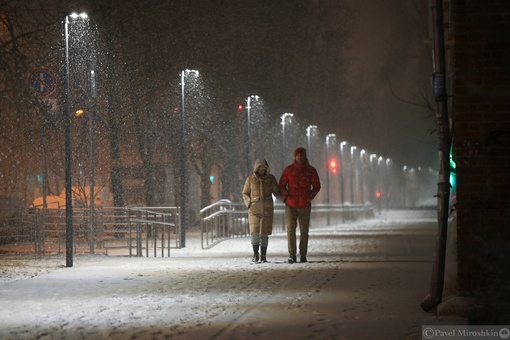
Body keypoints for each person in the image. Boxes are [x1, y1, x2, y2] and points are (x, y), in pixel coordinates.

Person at [279, 147, 321, 263]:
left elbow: (317, 186)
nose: (300, 157)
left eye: (301, 155)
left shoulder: (311, 170)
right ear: (295, 156)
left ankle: (303, 254)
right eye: (298, 155)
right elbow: (281, 185)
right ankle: (292, 254)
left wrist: (309, 197)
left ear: (305, 156)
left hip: (305, 205)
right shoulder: (288, 170)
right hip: (291, 204)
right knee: (290, 229)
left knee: (304, 231)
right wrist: (286, 196)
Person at [242, 159, 283, 263]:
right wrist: (248, 203)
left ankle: (263, 256)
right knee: (255, 233)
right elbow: (245, 193)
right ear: (256, 169)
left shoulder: (271, 179)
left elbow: (276, 192)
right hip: (254, 211)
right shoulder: (250, 180)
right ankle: (255, 255)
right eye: (260, 169)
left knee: (264, 234)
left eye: (263, 168)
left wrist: (285, 199)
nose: (262, 171)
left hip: (266, 210)